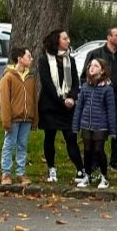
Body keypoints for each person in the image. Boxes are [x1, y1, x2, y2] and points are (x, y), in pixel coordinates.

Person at [81, 27, 117, 172]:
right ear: (109, 37)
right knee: (97, 130)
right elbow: (84, 76)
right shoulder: (95, 54)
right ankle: (94, 162)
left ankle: (115, 161)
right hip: (99, 98)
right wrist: (90, 92)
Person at [37, 29, 85, 184]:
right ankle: (51, 168)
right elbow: (47, 84)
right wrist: (61, 101)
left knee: (71, 137)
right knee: (49, 137)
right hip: (50, 105)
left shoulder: (69, 59)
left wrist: (71, 97)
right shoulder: (44, 60)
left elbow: (76, 82)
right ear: (56, 41)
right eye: (65, 38)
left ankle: (80, 169)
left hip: (68, 106)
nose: (68, 40)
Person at [72, 58, 116, 188]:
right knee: (87, 150)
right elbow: (79, 107)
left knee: (98, 150)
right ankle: (88, 176)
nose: (92, 67)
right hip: (86, 124)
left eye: (96, 66)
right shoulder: (85, 86)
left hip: (100, 125)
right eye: (90, 65)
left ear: (102, 70)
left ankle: (104, 176)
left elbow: (111, 110)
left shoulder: (107, 88)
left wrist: (112, 130)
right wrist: (75, 125)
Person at [0, 47, 38, 185]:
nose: (31, 59)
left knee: (22, 145)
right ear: (20, 59)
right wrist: (6, 120)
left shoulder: (30, 77)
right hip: (13, 118)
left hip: (26, 118)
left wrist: (34, 117)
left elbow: (33, 98)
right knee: (9, 144)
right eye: (28, 56)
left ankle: (21, 173)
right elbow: (4, 101)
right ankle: (6, 173)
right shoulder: (8, 77)